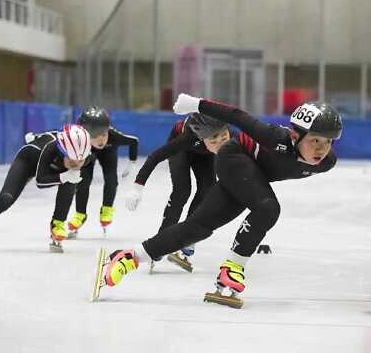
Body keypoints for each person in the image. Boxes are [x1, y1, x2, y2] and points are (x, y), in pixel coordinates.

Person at [96, 94, 343, 307]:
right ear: (294, 135)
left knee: (198, 228)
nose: (322, 149)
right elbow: (237, 116)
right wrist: (196, 104)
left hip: (250, 176)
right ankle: (232, 269)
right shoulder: (275, 138)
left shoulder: (326, 163)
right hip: (233, 158)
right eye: (315, 140)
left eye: (328, 142)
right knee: (268, 207)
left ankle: (129, 257)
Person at [0, 124, 92, 252]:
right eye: (72, 161)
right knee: (6, 198)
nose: (77, 164)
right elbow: (40, 181)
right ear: (61, 151)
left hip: (53, 163)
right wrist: (64, 177)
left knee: (72, 178)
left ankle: (57, 223)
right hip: (28, 160)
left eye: (81, 160)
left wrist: (69, 174)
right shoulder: (50, 149)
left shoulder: (84, 153)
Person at [125, 113, 232, 272]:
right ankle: (159, 241)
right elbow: (155, 157)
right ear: (203, 138)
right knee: (182, 191)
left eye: (224, 140)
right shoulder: (187, 137)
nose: (220, 146)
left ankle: (189, 237)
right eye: (214, 141)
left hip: (204, 153)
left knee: (208, 189)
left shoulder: (229, 134)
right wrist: (137, 189)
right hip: (181, 150)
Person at [56, 106, 139, 239]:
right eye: (94, 134)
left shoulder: (114, 136)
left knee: (111, 178)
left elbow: (133, 141)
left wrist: (132, 163)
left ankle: (107, 209)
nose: (100, 139)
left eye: (103, 133)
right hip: (87, 153)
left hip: (108, 152)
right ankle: (80, 214)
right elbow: (58, 136)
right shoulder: (79, 137)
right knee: (83, 180)